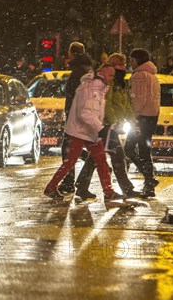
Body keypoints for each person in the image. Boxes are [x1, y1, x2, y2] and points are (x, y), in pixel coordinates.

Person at [43, 64, 125, 205]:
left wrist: (99, 127)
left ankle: (108, 192)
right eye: (110, 75)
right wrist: (100, 128)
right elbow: (85, 112)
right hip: (80, 131)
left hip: (88, 130)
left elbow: (91, 112)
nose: (112, 78)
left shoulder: (96, 87)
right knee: (77, 161)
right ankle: (51, 187)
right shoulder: (92, 87)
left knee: (99, 161)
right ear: (102, 73)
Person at [74, 53, 142, 199]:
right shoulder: (109, 84)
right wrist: (113, 122)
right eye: (120, 65)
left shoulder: (120, 83)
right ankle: (125, 189)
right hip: (105, 125)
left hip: (109, 125)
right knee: (117, 156)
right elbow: (108, 105)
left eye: (124, 65)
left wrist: (133, 121)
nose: (123, 68)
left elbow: (126, 105)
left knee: (96, 157)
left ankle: (82, 186)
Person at [57, 41, 93, 195]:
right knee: (79, 148)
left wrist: (72, 113)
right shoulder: (86, 69)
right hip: (82, 115)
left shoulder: (78, 71)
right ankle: (74, 181)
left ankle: (69, 181)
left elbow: (75, 95)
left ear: (72, 53)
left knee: (68, 149)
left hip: (76, 116)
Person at [124, 48, 160, 198]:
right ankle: (150, 186)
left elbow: (138, 100)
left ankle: (150, 179)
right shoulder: (152, 75)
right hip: (152, 116)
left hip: (141, 118)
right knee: (145, 150)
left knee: (129, 149)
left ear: (138, 60)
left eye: (132, 60)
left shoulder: (139, 75)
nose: (131, 64)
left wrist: (133, 116)